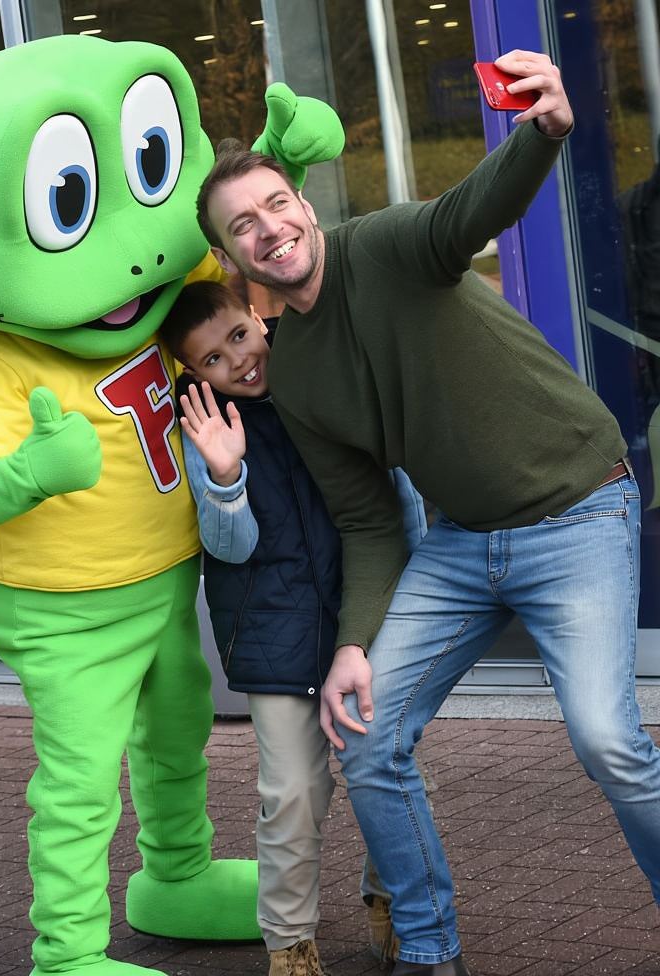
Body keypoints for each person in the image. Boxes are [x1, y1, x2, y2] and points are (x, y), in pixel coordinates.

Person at [195, 49, 660, 975]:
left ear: (302, 203)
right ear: (229, 254)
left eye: (278, 204)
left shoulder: (385, 245)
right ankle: (428, 948)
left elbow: (472, 211)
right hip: (457, 546)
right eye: (243, 226)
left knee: (608, 738)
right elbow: (368, 521)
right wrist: (354, 645)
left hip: (576, 511)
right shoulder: (296, 374)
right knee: (364, 733)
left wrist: (548, 129)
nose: (270, 229)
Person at [160, 280, 425, 976]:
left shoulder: (319, 370)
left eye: (238, 337)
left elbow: (393, 493)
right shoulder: (205, 425)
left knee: (382, 770)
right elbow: (230, 546)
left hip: (364, 616)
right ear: (194, 374)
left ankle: (392, 899)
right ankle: (290, 943)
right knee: (293, 794)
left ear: (256, 315)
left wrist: (414, 585)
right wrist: (224, 475)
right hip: (274, 630)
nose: (237, 362)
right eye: (212, 360)